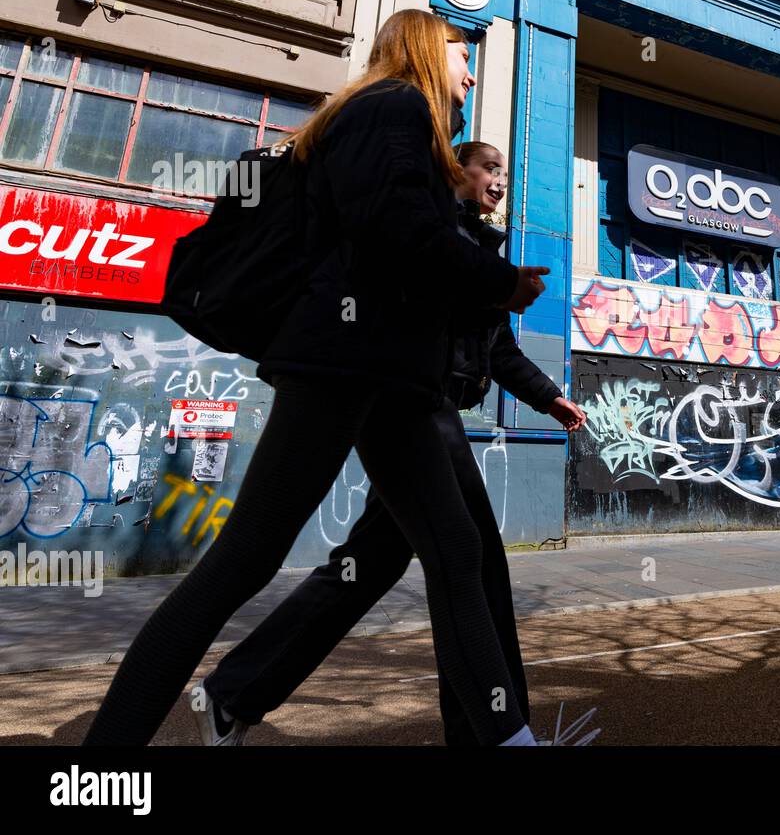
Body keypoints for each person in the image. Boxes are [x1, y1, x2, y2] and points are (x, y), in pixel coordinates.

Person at [83, 10, 550, 747]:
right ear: (430, 49)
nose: (471, 72)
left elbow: (402, 242)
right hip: (341, 363)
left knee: (456, 553)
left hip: (391, 375)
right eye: (465, 56)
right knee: (242, 562)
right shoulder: (391, 107)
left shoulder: (402, 125)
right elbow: (399, 231)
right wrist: (499, 282)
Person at [190, 141, 592, 746]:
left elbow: (495, 347)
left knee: (369, 566)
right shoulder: (429, 225)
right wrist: (486, 280)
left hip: (425, 409)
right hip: (412, 406)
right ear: (457, 168)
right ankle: (496, 732)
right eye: (490, 169)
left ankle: (234, 693)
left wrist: (546, 396)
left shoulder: (476, 245)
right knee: (473, 559)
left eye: (504, 173)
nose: (500, 182)